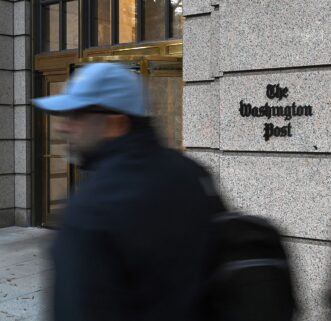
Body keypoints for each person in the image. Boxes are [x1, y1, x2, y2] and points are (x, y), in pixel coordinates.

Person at [32, 63, 225, 321]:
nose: (63, 126)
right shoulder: (194, 174)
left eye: (76, 114)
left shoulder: (92, 208)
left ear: (116, 123)